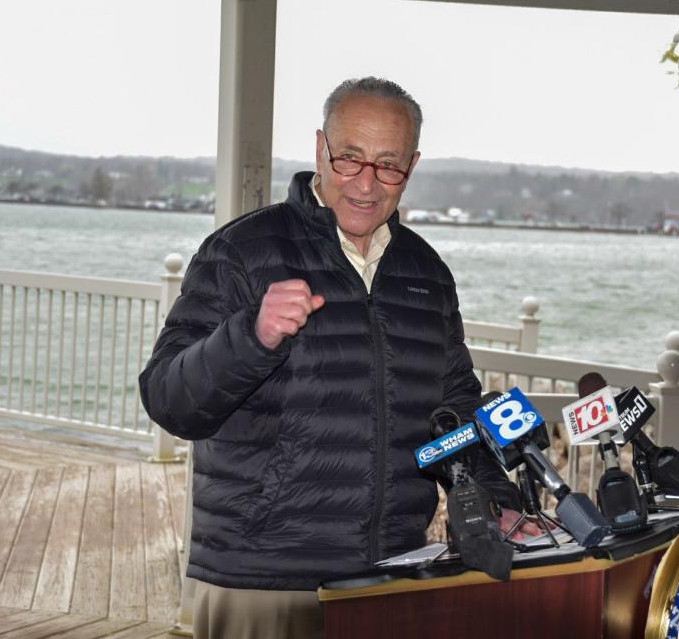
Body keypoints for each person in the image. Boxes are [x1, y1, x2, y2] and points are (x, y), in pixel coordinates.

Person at [139, 77, 523, 639]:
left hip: (390, 576)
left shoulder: (427, 272)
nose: (366, 184)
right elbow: (169, 401)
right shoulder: (243, 251)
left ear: (411, 167)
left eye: (388, 165)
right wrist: (251, 336)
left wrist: (496, 500)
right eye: (349, 159)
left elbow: (456, 412)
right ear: (320, 149)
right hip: (262, 583)